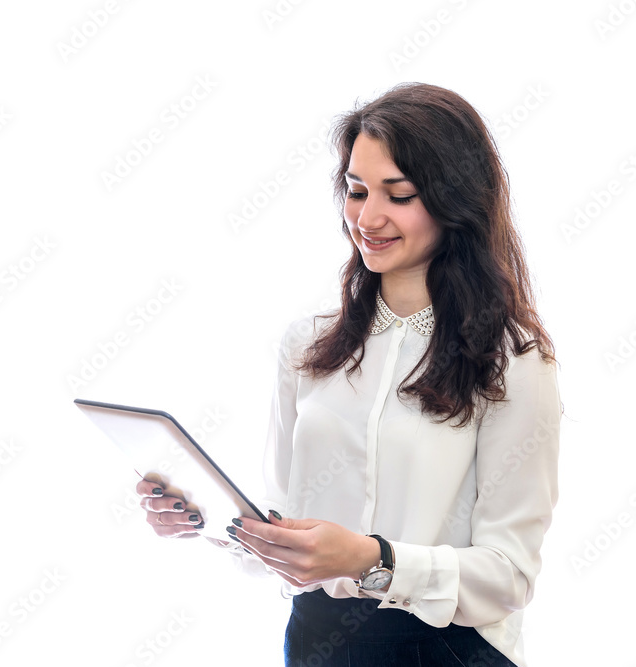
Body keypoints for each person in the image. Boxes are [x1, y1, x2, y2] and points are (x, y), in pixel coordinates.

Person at [135, 81, 561, 667]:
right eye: (357, 191)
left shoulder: (513, 359)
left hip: (443, 651)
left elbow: (509, 577)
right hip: (315, 643)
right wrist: (204, 519)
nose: (369, 217)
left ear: (455, 201)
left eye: (400, 194)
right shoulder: (309, 343)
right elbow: (284, 519)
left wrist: (371, 558)